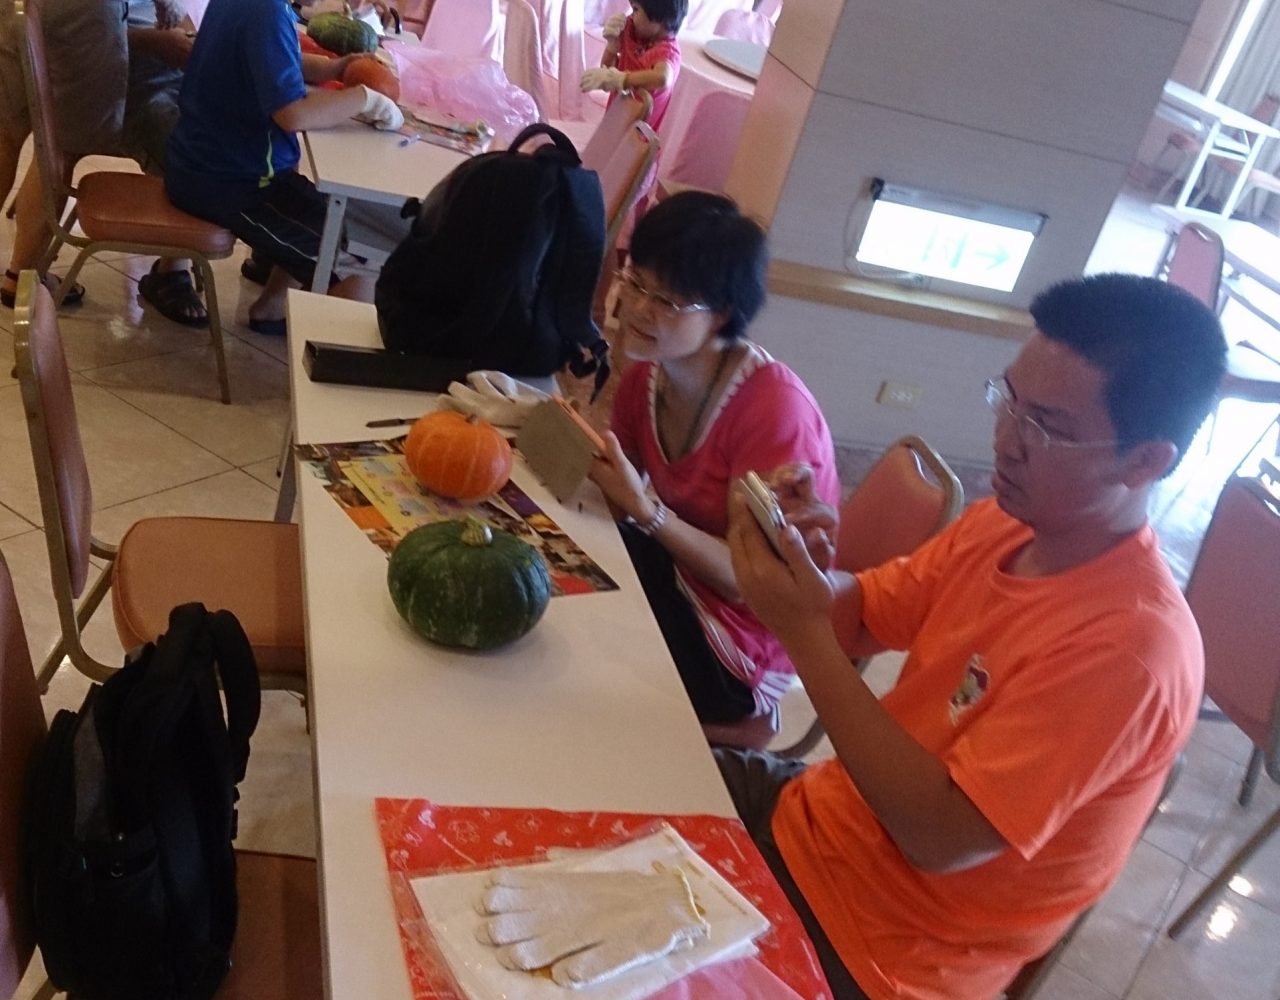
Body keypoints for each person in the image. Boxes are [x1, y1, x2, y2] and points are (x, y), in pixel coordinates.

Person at [720, 273, 1228, 1000]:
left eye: (1046, 427)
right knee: (596, 769)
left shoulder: (1131, 648)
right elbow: (860, 618)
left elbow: (937, 836)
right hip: (815, 819)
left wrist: (802, 629)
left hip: (882, 952)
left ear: (1148, 460)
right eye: (1008, 400)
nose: (1006, 441)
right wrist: (803, 568)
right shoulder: (1007, 523)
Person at [588, 191, 838, 724]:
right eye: (636, 282)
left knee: (581, 653)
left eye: (668, 300)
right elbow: (610, 497)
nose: (637, 308)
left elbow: (754, 585)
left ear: (721, 314)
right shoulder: (645, 376)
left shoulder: (774, 412)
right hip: (673, 578)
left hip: (739, 652)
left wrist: (649, 513)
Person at [164, 0, 402, 335]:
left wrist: (333, 69)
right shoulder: (265, 11)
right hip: (229, 184)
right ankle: (332, 355)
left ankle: (272, 307)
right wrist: (365, 99)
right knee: (358, 268)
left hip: (209, 163)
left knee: (331, 212)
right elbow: (293, 113)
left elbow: (272, 59)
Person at [0, 0, 129, 309]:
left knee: (5, 134)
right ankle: (21, 277)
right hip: (81, 12)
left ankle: (21, 275)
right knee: (60, 147)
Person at [581, 0, 684, 132]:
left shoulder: (667, 51)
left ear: (660, 16)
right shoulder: (634, 31)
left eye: (635, 9)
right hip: (613, 117)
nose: (630, 15)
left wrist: (621, 79)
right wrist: (612, 45)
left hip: (635, 135)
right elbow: (606, 67)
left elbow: (663, 78)